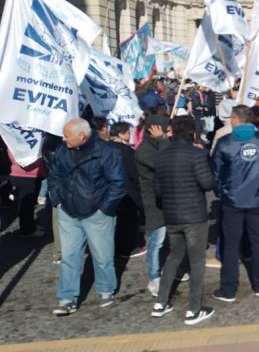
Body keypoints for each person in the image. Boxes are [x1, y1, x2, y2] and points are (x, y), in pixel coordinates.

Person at [50, 118, 127, 315]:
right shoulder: (62, 150)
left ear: (81, 136)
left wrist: (104, 208)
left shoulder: (107, 152)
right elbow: (54, 175)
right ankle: (67, 297)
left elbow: (118, 183)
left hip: (96, 213)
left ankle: (105, 289)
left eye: (67, 136)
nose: (63, 138)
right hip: (68, 211)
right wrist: (57, 200)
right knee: (69, 256)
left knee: (102, 255)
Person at [151, 116, 216, 325]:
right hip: (194, 216)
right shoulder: (196, 154)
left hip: (172, 215)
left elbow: (158, 189)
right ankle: (193, 310)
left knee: (174, 257)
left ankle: (160, 303)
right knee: (197, 262)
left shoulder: (161, 156)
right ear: (193, 133)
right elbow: (207, 183)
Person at [211, 105, 259, 301]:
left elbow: (214, 173)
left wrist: (221, 192)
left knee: (230, 245)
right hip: (257, 199)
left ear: (235, 119)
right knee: (257, 242)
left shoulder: (225, 142)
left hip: (232, 201)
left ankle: (229, 289)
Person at [135, 115, 171, 297]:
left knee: (171, 239)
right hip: (154, 202)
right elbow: (164, 164)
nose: (168, 132)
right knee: (156, 242)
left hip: (168, 200)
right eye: (165, 129)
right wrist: (163, 140)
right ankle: (154, 277)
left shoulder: (160, 144)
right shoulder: (144, 150)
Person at [109, 122, 143, 258]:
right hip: (126, 191)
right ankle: (126, 248)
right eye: (128, 132)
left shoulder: (104, 147)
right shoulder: (127, 151)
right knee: (127, 222)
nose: (130, 135)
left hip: (109, 191)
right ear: (121, 134)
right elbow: (134, 173)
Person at [7, 148, 47, 238]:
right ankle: (27, 230)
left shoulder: (14, 140)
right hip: (28, 175)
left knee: (28, 203)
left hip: (23, 174)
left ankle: (29, 226)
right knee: (27, 204)